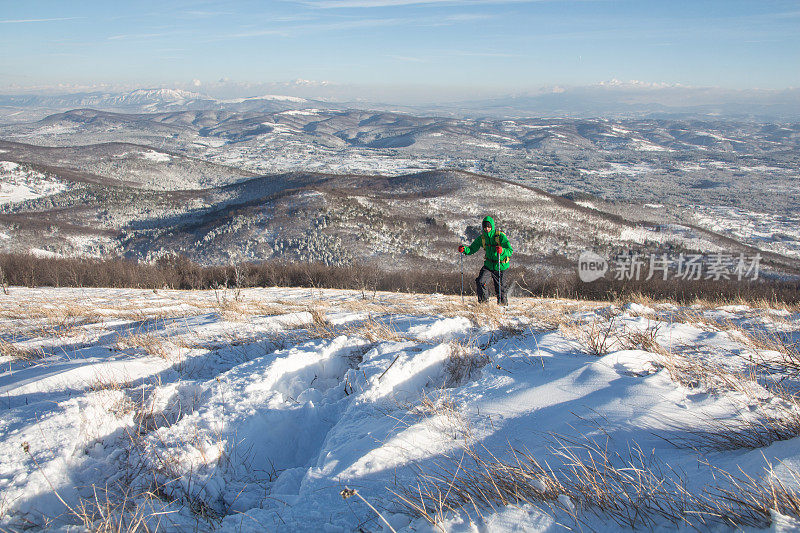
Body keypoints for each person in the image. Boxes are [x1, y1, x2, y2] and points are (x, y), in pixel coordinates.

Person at [459, 216, 512, 305]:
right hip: (488, 265)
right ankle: (484, 304)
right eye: (485, 227)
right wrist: (464, 250)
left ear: (492, 226)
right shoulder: (482, 238)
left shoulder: (500, 236)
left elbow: (509, 251)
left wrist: (502, 251)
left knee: (500, 288)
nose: (487, 229)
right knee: (480, 282)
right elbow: (472, 249)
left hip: (501, 265)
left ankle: (502, 306)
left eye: (488, 226)